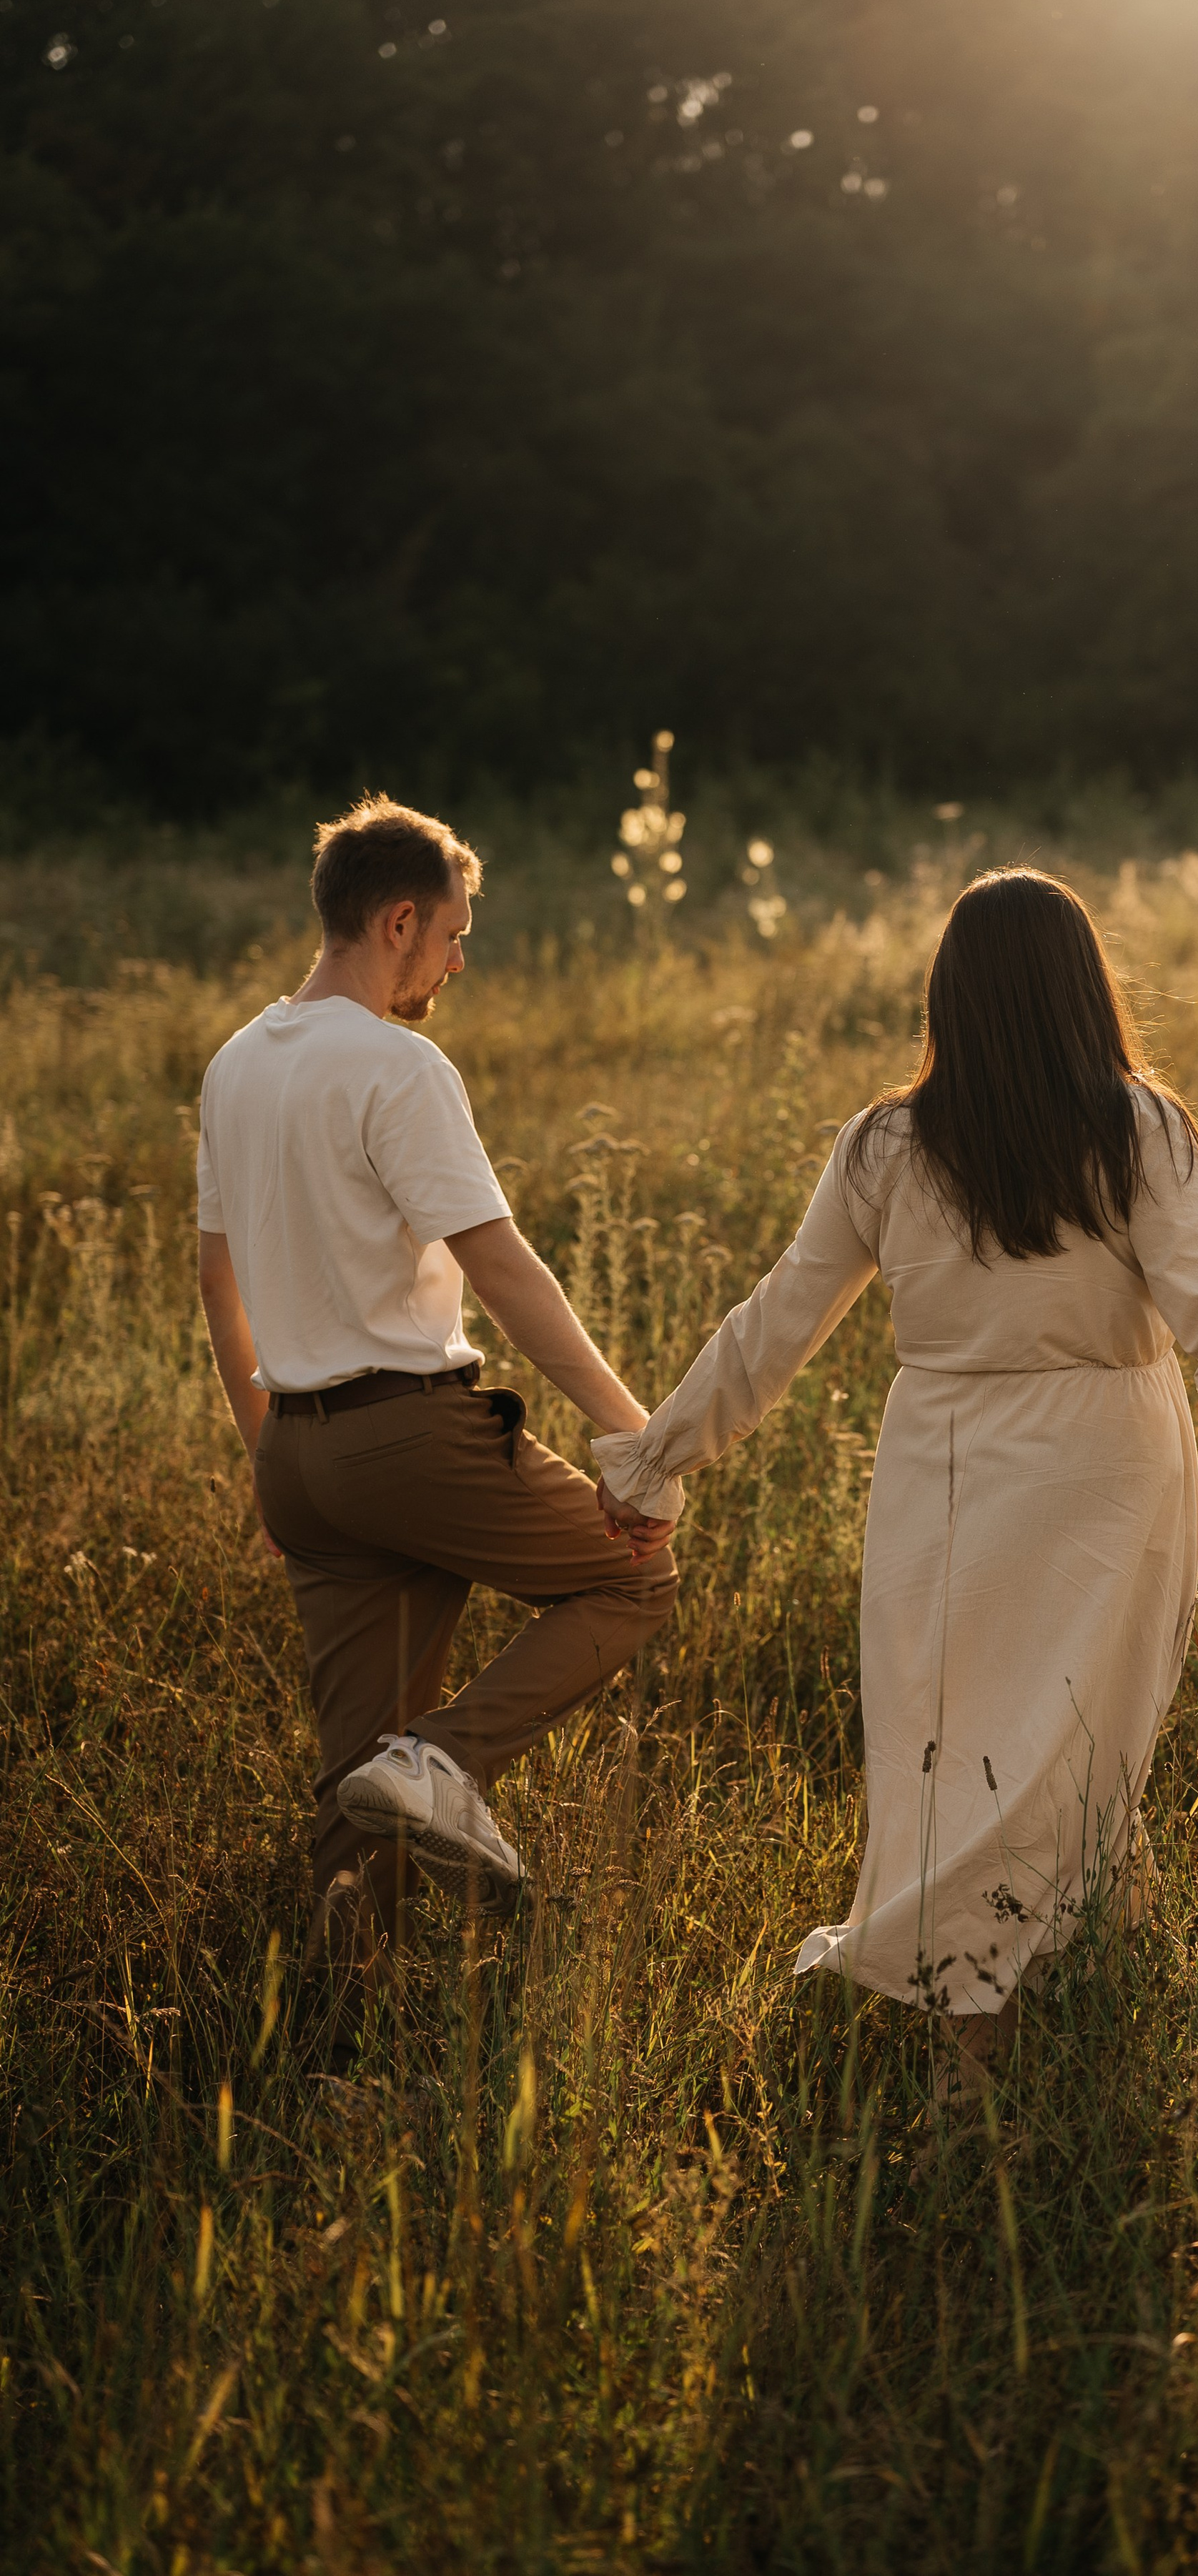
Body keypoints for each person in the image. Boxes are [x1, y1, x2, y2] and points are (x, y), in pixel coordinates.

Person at [593, 867, 1198, 2076]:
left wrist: (653, 1464)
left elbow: (771, 1326)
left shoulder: (888, 1142)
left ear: (951, 996)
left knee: (961, 1749)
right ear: (1081, 989)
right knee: (1059, 1742)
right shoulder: (1131, 1125)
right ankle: (981, 2040)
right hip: (1105, 1467)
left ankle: (1050, 2001)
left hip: (942, 1469)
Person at [195, 796, 678, 1958]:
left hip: (301, 1456)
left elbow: (220, 1285)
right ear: (400, 920)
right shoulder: (398, 1066)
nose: (459, 960)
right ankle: (445, 1762)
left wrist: (267, 1454)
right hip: (407, 1436)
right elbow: (499, 1265)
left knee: (355, 1774)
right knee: (634, 1580)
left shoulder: (234, 1064)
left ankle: (339, 2035)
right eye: (456, 934)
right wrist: (636, 1435)